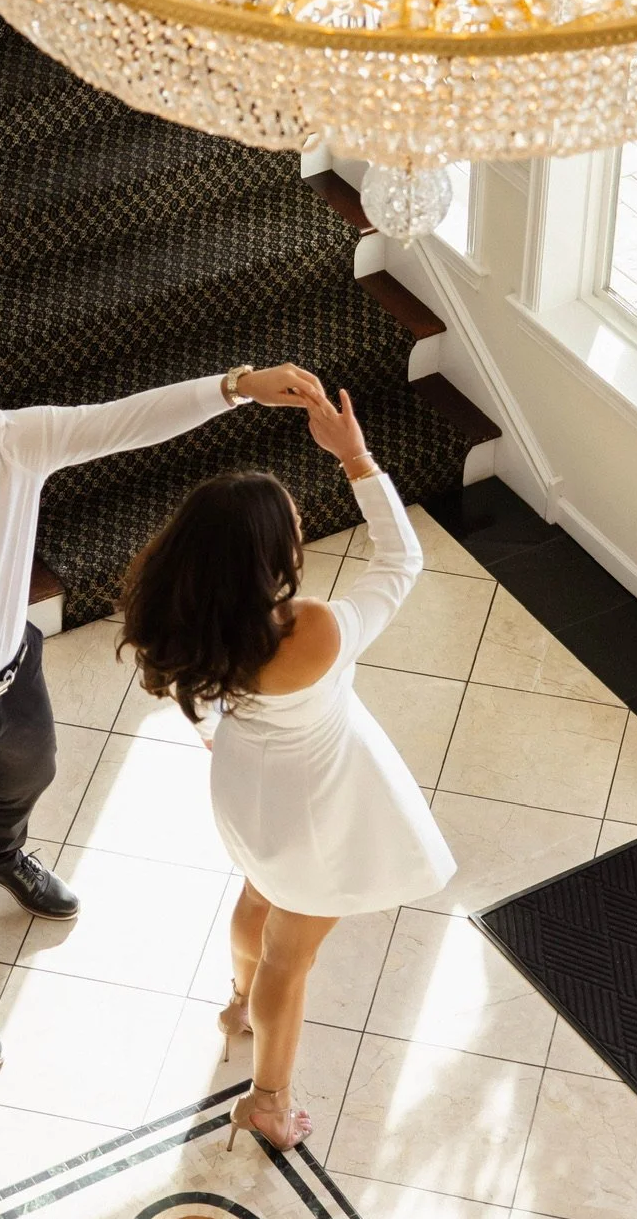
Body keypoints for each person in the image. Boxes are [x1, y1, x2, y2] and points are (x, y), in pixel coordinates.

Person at [0, 344, 326, 1070]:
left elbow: (125, 421)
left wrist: (239, 386)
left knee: (31, 773)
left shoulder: (8, 444)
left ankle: (0, 850)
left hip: (15, 673)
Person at [121, 385, 455, 1151]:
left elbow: (204, 715)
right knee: (292, 956)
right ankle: (266, 1100)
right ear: (272, 560)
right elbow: (400, 559)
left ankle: (239, 1003)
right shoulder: (315, 632)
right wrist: (354, 457)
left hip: (247, 792)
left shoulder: (188, 626)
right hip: (318, 807)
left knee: (259, 895)